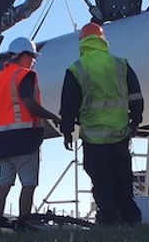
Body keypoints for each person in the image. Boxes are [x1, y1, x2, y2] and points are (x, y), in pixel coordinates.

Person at [60, 22, 144, 225]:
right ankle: (131, 219)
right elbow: (136, 96)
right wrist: (136, 121)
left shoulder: (76, 69)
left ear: (82, 42)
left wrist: (67, 131)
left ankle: (108, 220)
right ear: (102, 40)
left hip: (93, 136)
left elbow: (69, 105)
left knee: (102, 180)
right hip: (120, 133)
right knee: (122, 178)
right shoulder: (120, 64)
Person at [0, 35, 60, 220]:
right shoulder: (24, 75)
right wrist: (52, 117)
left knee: (4, 184)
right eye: (32, 56)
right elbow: (29, 103)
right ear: (24, 55)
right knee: (28, 184)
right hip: (24, 139)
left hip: (2, 142)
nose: (34, 61)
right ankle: (24, 222)